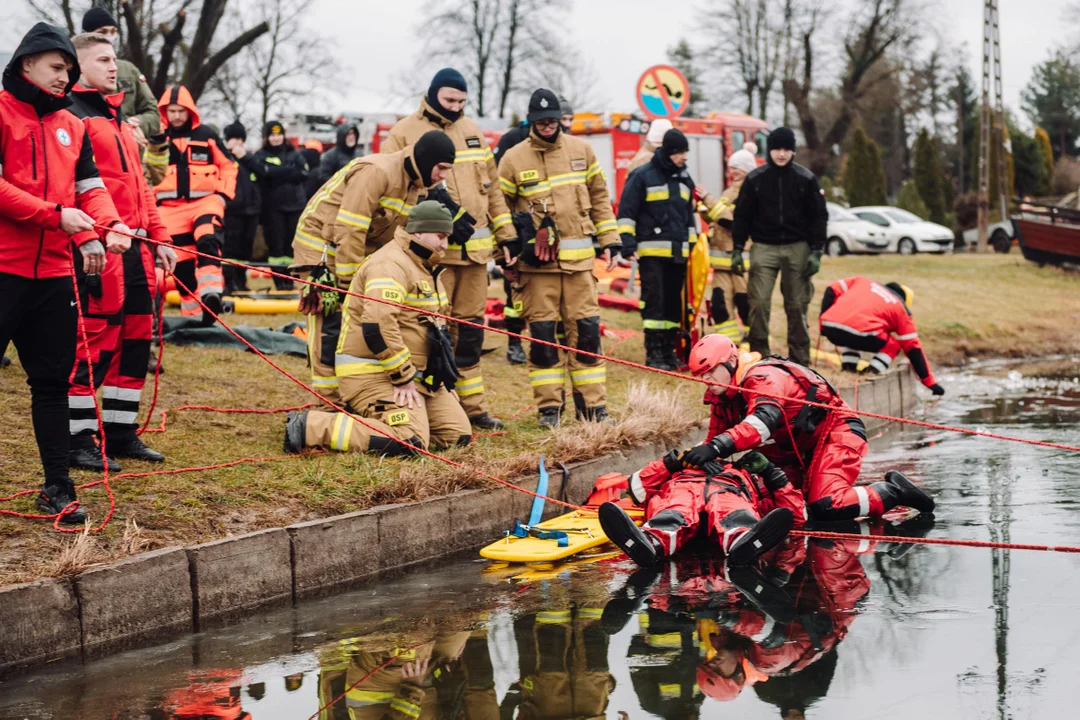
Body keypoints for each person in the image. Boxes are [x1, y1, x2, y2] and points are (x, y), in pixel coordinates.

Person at [0, 23, 129, 523]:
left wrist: (109, 222)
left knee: (52, 383)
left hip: (54, 276)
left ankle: (58, 487)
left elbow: (91, 189)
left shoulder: (73, 125)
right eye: (57, 68)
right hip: (5, 270)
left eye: (69, 71)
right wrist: (55, 216)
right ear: (26, 64)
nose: (65, 78)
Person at [65, 32, 177, 472]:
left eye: (115, 60)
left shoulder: (118, 121)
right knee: (93, 344)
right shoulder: (73, 117)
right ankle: (78, 438)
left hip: (136, 250)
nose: (115, 67)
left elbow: (142, 188)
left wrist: (161, 237)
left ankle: (120, 433)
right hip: (100, 247)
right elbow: (74, 190)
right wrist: (87, 238)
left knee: (135, 341)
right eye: (104, 60)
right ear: (79, 67)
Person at [677, 334, 936, 522]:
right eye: (702, 375)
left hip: (835, 433)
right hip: (795, 447)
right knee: (761, 493)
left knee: (825, 506)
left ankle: (894, 491)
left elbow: (762, 422)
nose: (706, 380)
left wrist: (715, 448)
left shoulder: (764, 377)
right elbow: (715, 439)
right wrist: (688, 459)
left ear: (731, 361)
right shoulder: (723, 396)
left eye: (710, 371)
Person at [381, 68, 515, 431]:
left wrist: (508, 235)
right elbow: (392, 191)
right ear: (432, 94)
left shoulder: (472, 132)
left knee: (470, 332)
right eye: (449, 100)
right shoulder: (404, 131)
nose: (456, 107)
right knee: (427, 331)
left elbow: (493, 190)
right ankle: (434, 405)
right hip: (428, 256)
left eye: (461, 101)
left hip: (474, 256)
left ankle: (472, 407)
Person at [286, 200, 472, 456]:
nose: (444, 244)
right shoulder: (390, 265)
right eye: (440, 236)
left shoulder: (424, 264)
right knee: (411, 441)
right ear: (418, 231)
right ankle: (312, 426)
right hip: (374, 373)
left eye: (447, 237)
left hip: (416, 377)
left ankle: (387, 420)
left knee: (457, 436)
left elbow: (437, 328)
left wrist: (444, 376)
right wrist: (402, 376)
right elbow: (377, 324)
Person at [290, 130, 456, 405]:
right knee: (330, 322)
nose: (443, 176)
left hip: (351, 252)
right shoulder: (377, 172)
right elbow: (350, 229)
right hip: (320, 253)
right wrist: (347, 285)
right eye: (441, 168)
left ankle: (353, 394)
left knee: (357, 322)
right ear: (426, 161)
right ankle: (328, 402)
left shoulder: (416, 186)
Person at [498, 89, 621, 427]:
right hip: (537, 272)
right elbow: (499, 210)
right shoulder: (512, 158)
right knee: (542, 340)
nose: (548, 126)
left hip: (580, 269)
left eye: (552, 120)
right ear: (531, 122)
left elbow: (600, 198)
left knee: (587, 336)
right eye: (541, 121)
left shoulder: (582, 150)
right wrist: (503, 255)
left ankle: (594, 408)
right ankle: (549, 410)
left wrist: (610, 239)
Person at [597, 450, 803, 568]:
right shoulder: (682, 468)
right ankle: (652, 542)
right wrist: (671, 463)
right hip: (684, 488)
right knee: (677, 508)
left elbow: (796, 517)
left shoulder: (746, 476)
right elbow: (636, 489)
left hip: (729, 491)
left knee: (731, 508)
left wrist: (773, 475)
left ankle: (741, 539)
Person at [732, 127, 827, 365]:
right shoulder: (756, 179)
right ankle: (759, 358)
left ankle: (800, 361)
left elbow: (819, 216)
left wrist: (816, 251)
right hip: (764, 246)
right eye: (777, 149)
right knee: (759, 302)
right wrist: (737, 247)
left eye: (786, 149)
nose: (782, 154)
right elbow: (742, 215)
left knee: (796, 305)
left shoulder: (806, 179)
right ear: (769, 150)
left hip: (798, 247)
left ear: (793, 150)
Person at [153, 85, 237, 322]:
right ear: (164, 112)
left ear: (190, 111)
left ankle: (212, 295)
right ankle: (193, 316)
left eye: (181, 110)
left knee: (208, 237)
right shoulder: (157, 138)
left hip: (205, 202)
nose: (177, 116)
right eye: (172, 111)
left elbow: (229, 166)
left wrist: (223, 195)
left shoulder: (207, 135)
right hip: (169, 209)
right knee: (180, 264)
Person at [617, 128, 697, 371]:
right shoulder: (643, 176)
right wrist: (628, 245)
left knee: (673, 305)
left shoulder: (684, 178)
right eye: (681, 152)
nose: (685, 157)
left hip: (677, 255)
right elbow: (626, 213)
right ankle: (654, 353)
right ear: (670, 151)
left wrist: (691, 246)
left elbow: (688, 217)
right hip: (650, 254)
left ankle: (668, 351)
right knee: (655, 303)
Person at [819, 276, 945, 395]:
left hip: (830, 325)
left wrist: (822, 323)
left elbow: (832, 289)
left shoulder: (863, 282)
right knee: (893, 345)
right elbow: (913, 348)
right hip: (860, 332)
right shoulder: (901, 309)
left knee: (852, 336)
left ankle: (848, 369)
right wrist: (930, 383)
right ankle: (870, 372)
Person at [697, 143, 757, 342]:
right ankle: (727, 344)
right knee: (720, 305)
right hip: (721, 263)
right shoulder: (729, 191)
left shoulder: (752, 191)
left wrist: (708, 200)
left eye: (737, 168)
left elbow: (731, 220)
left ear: (747, 169)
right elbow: (718, 219)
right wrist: (704, 209)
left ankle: (753, 342)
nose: (732, 172)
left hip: (741, 262)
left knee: (745, 303)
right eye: (731, 168)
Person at [80, 8, 159, 154]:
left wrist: (133, 125)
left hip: (132, 154)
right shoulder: (74, 71)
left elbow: (154, 113)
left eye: (113, 31)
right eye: (102, 32)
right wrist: (122, 126)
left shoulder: (129, 70)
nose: (109, 36)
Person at [241, 119, 308, 289]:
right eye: (273, 135)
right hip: (273, 210)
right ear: (266, 137)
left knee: (291, 247)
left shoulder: (294, 153)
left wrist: (275, 173)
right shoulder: (261, 155)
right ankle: (280, 282)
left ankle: (291, 281)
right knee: (276, 249)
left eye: (279, 135)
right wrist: (287, 171)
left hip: (295, 207)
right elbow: (263, 173)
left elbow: (303, 173)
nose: (276, 138)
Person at [220, 120, 261, 293]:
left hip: (250, 211)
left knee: (245, 250)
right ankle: (229, 282)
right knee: (230, 249)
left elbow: (261, 172)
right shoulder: (223, 157)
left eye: (240, 139)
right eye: (233, 139)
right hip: (231, 211)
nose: (237, 143)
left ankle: (241, 281)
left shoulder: (249, 159)